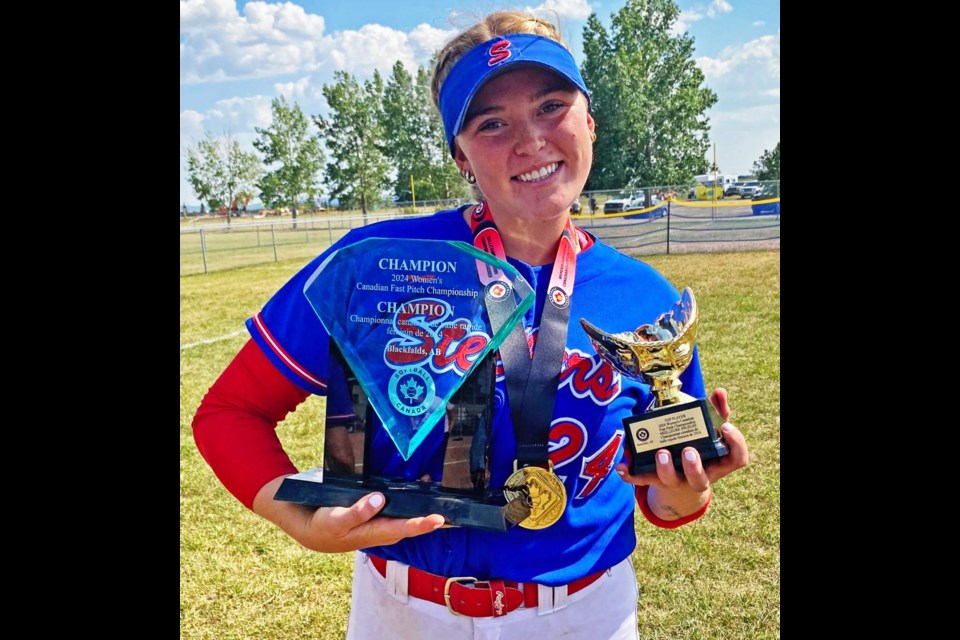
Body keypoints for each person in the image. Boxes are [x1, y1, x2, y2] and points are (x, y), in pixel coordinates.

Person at [192, 11, 749, 639]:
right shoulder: (378, 264)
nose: (531, 140)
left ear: (589, 122)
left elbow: (660, 492)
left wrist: (683, 496)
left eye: (551, 106)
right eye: (492, 123)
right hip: (405, 611)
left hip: (588, 613)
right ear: (460, 154)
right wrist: (289, 513)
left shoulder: (647, 298)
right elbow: (230, 413)